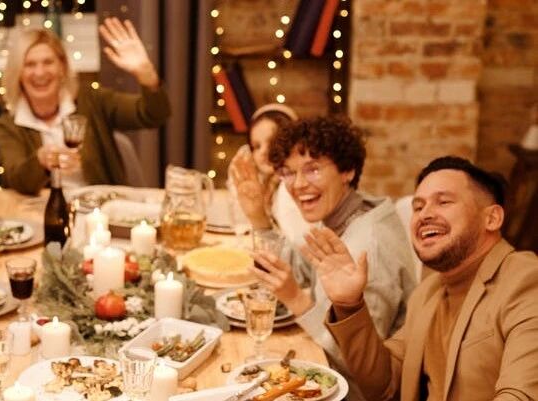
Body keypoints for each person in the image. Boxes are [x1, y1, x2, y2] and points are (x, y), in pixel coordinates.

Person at [314, 156, 538, 400]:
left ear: (492, 218)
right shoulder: (428, 292)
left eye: (443, 202)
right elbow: (386, 385)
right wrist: (349, 305)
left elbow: (521, 395)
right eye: (418, 207)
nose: (425, 215)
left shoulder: (526, 280)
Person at [250, 116, 417, 401]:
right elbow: (304, 270)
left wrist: (297, 300)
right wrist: (258, 217)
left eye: (312, 169)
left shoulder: (368, 245)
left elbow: (361, 367)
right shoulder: (345, 212)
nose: (298, 185)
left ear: (347, 170)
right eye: (288, 173)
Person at [0, 18, 171, 195]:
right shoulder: (7, 125)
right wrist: (40, 161)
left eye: (48, 62)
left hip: (101, 210)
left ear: (62, 67)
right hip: (44, 212)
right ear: (18, 73)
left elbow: (153, 115)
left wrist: (147, 76)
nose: (40, 73)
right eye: (30, 64)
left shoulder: (93, 100)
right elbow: (15, 181)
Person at [227, 103, 309, 246]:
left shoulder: (291, 189)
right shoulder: (262, 186)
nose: (264, 152)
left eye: (272, 142)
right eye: (256, 146)